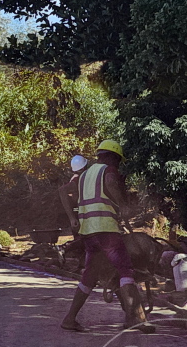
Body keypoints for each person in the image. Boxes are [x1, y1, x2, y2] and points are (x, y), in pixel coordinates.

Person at [59, 140, 151, 332]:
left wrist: (72, 218)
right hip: (106, 229)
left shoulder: (83, 176)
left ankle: (69, 318)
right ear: (111, 156)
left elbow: (65, 192)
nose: (117, 164)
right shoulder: (108, 170)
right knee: (125, 269)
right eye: (118, 160)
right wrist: (123, 205)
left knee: (90, 275)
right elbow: (110, 183)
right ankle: (138, 319)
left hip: (88, 233)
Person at [59, 155, 89, 234]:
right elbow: (62, 190)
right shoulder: (77, 179)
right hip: (79, 215)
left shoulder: (76, 178)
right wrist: (72, 218)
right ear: (83, 168)